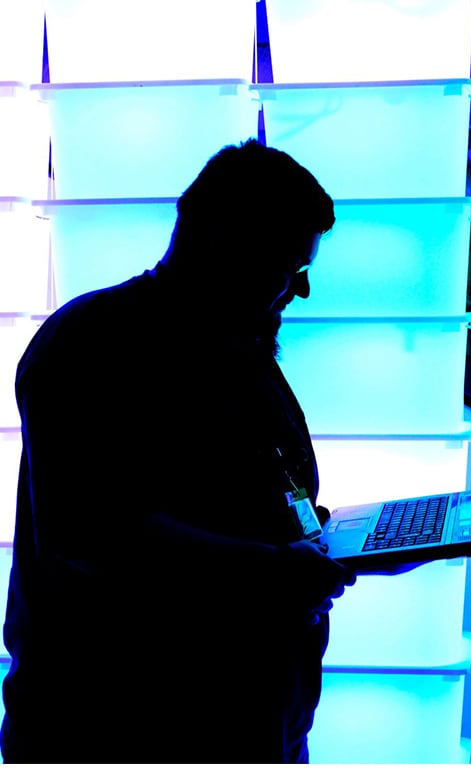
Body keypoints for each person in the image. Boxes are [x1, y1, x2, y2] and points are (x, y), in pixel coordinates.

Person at [2, 140, 368, 762]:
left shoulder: (238, 346)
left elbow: (252, 496)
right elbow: (94, 536)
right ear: (224, 242)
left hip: (252, 724)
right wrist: (281, 569)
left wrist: (322, 542)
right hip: (124, 731)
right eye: (288, 266)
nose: (299, 292)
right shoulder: (90, 345)